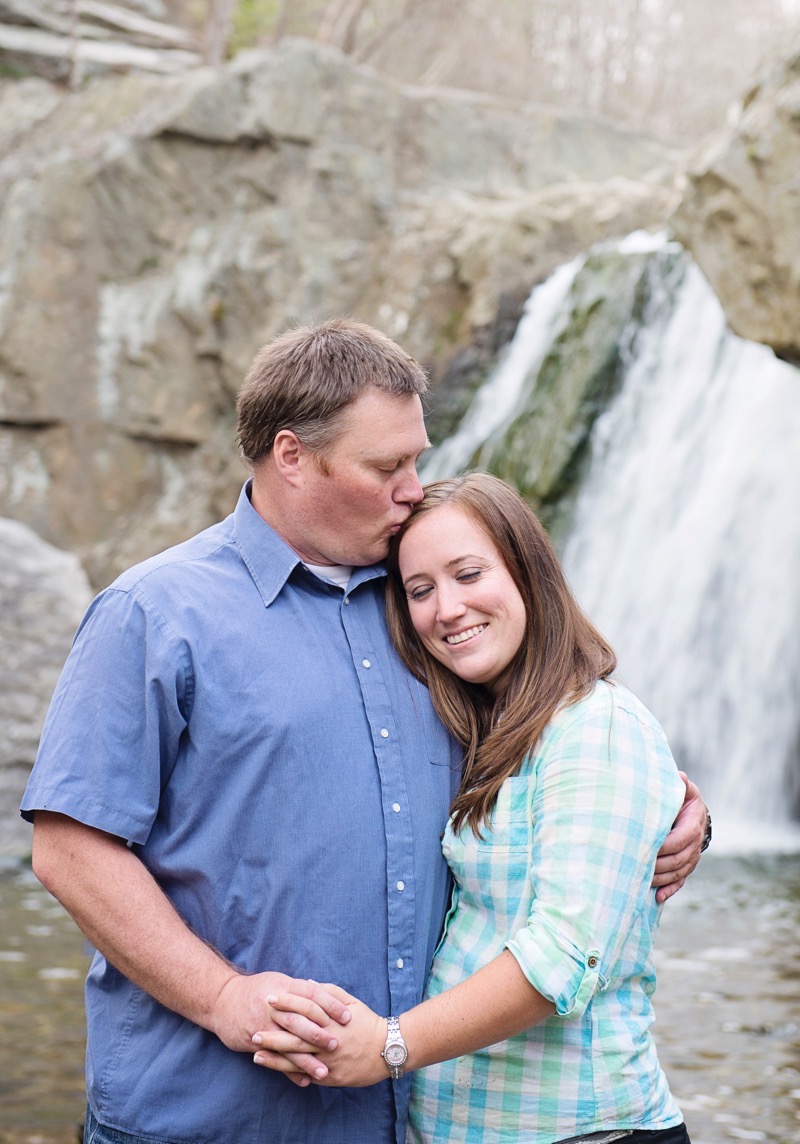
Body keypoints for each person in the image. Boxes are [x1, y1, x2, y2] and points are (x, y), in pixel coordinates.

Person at [20, 321, 707, 1144]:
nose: (414, 489)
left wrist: (673, 817)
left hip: (393, 1115)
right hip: (203, 1114)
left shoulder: (428, 606)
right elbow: (70, 848)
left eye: (417, 459)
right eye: (388, 467)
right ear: (292, 457)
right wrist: (223, 998)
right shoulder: (153, 614)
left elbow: (557, 755)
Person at [253, 472, 697, 1144]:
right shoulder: (483, 730)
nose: (447, 609)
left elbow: (561, 957)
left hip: (584, 1133)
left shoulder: (597, 727)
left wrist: (387, 1046)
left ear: (528, 572)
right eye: (420, 590)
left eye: (468, 574)